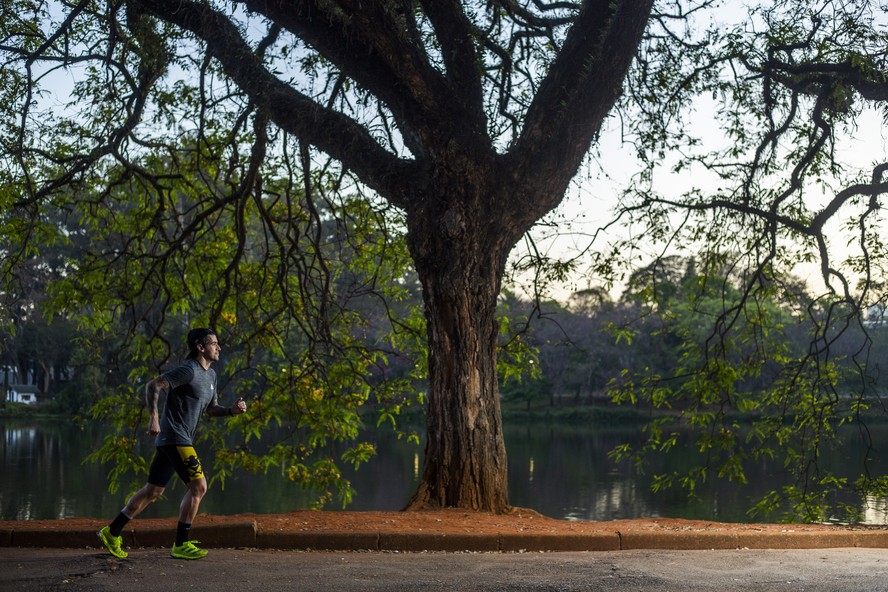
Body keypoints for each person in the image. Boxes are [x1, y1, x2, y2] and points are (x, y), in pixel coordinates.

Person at [97, 328, 247, 560]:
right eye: (214, 343)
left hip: (174, 439)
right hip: (176, 437)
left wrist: (231, 411)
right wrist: (154, 417)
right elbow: (153, 385)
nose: (219, 347)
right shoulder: (188, 370)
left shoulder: (211, 376)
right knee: (199, 487)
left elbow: (210, 409)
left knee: (153, 490)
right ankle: (181, 543)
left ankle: (112, 531)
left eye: (218, 343)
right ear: (200, 347)